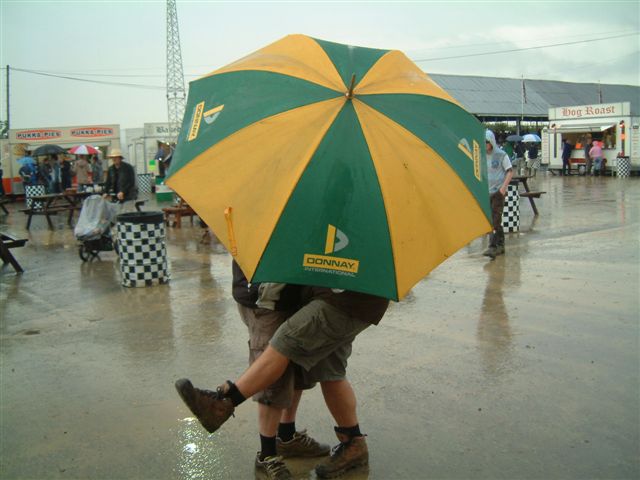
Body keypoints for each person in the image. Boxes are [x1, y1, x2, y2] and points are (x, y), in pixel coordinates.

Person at [175, 287, 389, 479]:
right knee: (330, 372)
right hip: (338, 298)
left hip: (343, 302)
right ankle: (353, 443)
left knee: (284, 342)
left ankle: (223, 403)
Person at [231, 261, 329, 478]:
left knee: (294, 368)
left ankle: (287, 436)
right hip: (266, 298)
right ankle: (266, 455)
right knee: (271, 378)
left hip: (293, 292)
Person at [483, 129, 513, 259]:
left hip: (498, 192)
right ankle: (500, 244)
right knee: (492, 219)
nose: (485, 145)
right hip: (486, 192)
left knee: (495, 220)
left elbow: (510, 171)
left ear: (492, 141)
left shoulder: (501, 155)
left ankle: (492, 246)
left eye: (487, 142)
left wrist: (503, 188)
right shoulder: (481, 155)